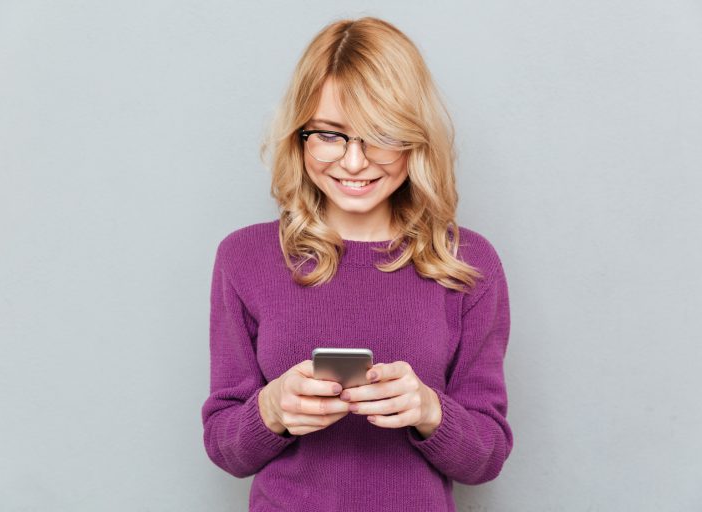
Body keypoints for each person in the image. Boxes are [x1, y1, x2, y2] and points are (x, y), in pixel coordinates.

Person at [201, 16, 513, 512]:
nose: (353, 163)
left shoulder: (467, 263)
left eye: (379, 135)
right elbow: (224, 446)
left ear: (415, 139)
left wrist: (430, 410)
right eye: (330, 134)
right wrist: (271, 408)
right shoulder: (245, 258)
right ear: (299, 136)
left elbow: (487, 457)